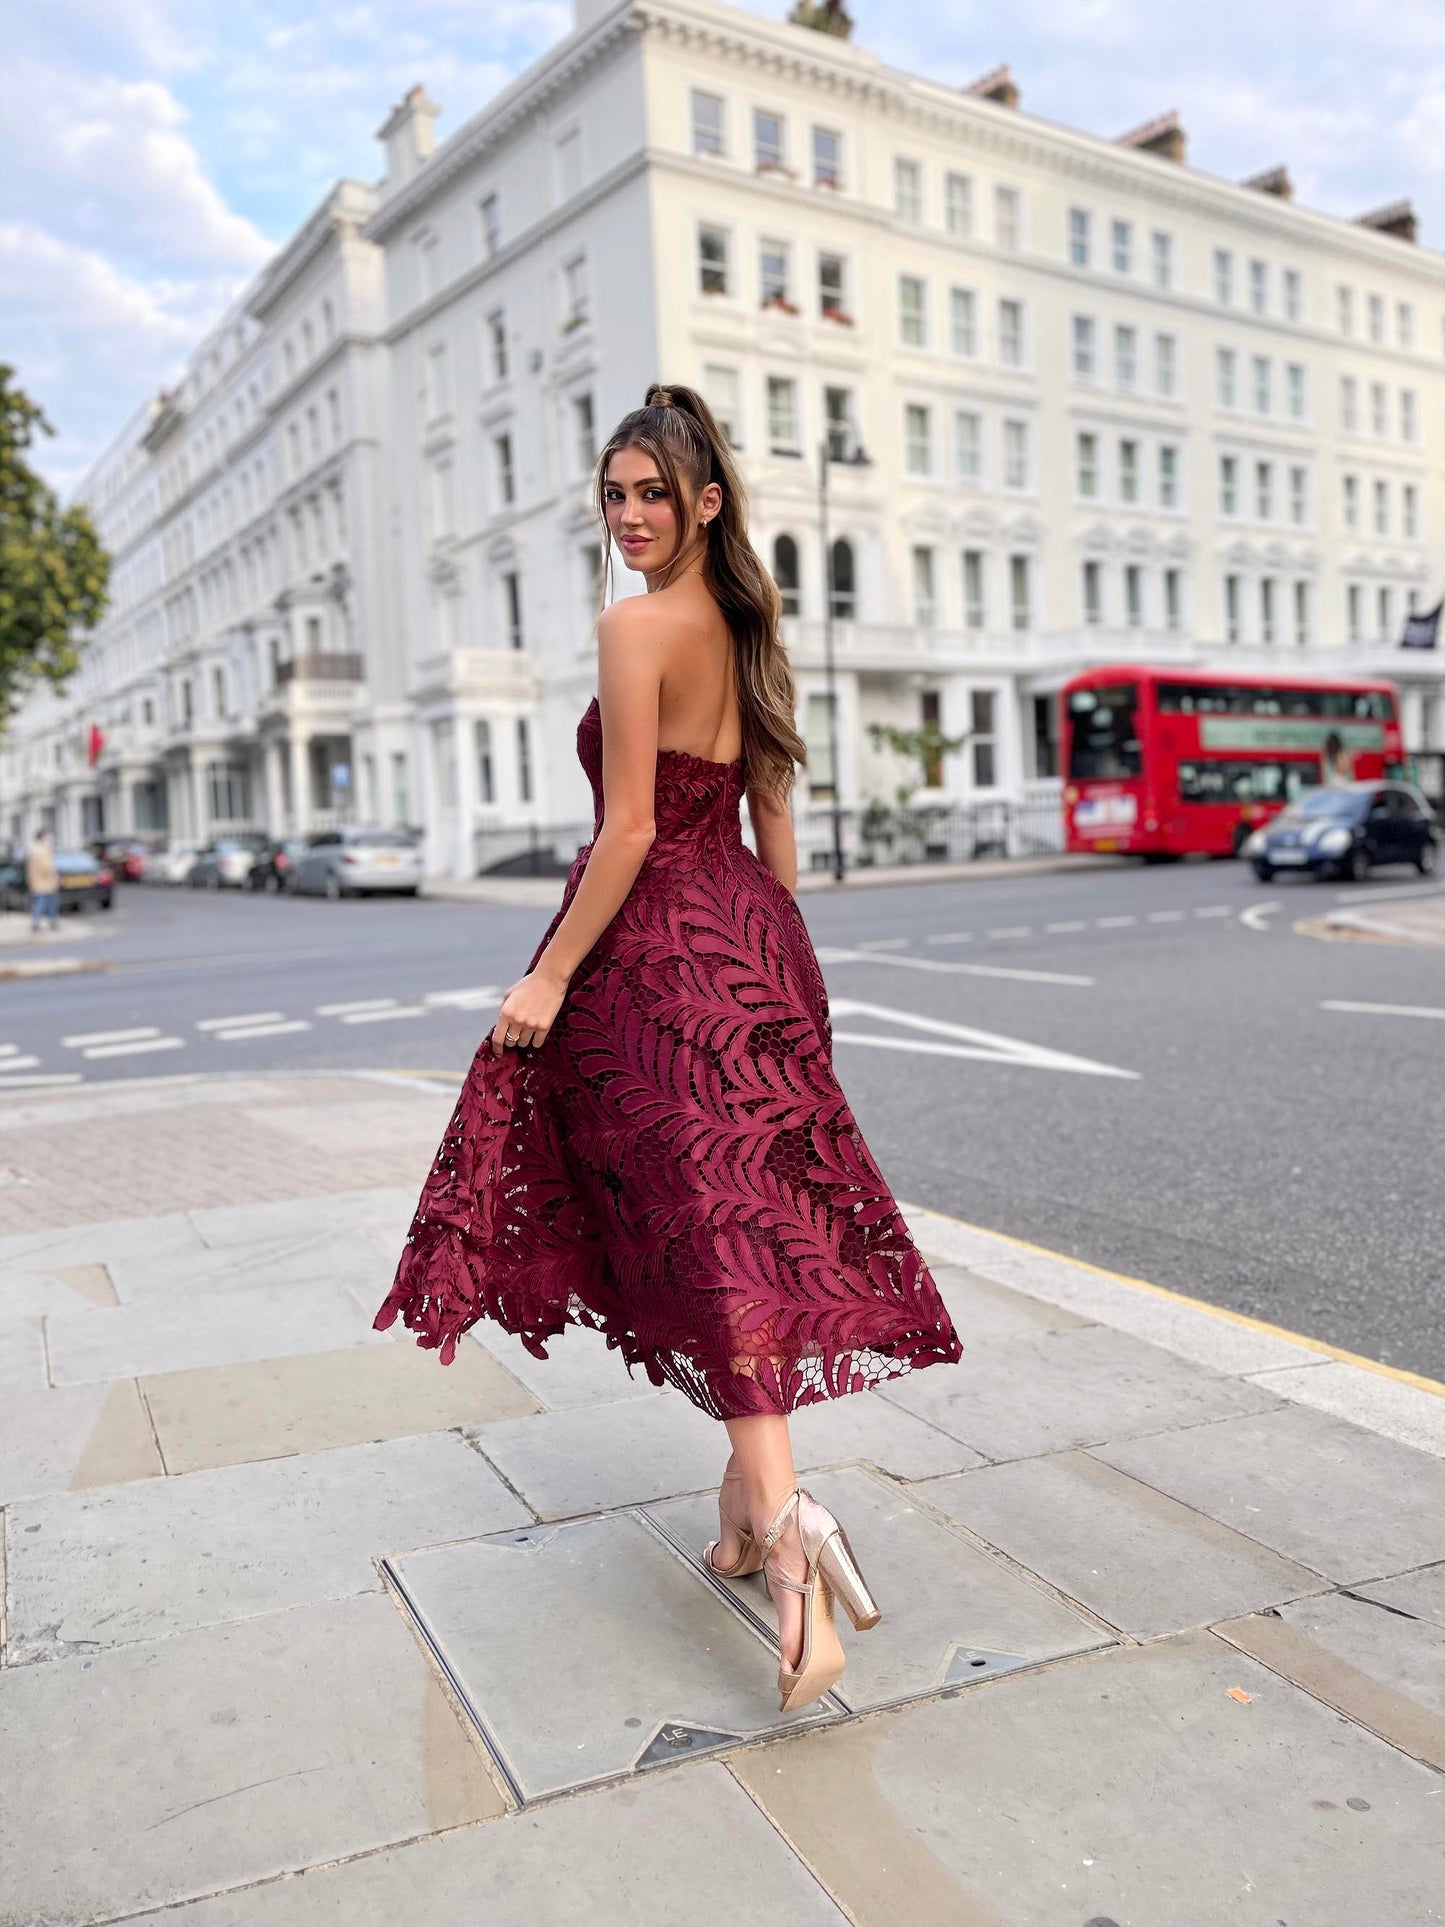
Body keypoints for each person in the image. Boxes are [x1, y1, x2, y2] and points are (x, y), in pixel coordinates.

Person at [375, 384, 962, 1712]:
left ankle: (796, 1542)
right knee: (733, 1237)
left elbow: (628, 830)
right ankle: (751, 1515)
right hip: (749, 944)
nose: (631, 518)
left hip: (654, 960)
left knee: (693, 1237)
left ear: (706, 501)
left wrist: (547, 973)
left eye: (654, 492)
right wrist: (790, 963)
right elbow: (771, 816)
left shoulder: (635, 625)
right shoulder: (750, 625)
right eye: (614, 495)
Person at [26, 829, 60, 934]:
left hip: (38, 882)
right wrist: (55, 877)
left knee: (41, 902)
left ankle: (39, 923)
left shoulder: (33, 849)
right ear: (42, 837)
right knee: (48, 903)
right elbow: (46, 867)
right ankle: (50, 922)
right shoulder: (42, 850)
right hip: (45, 882)